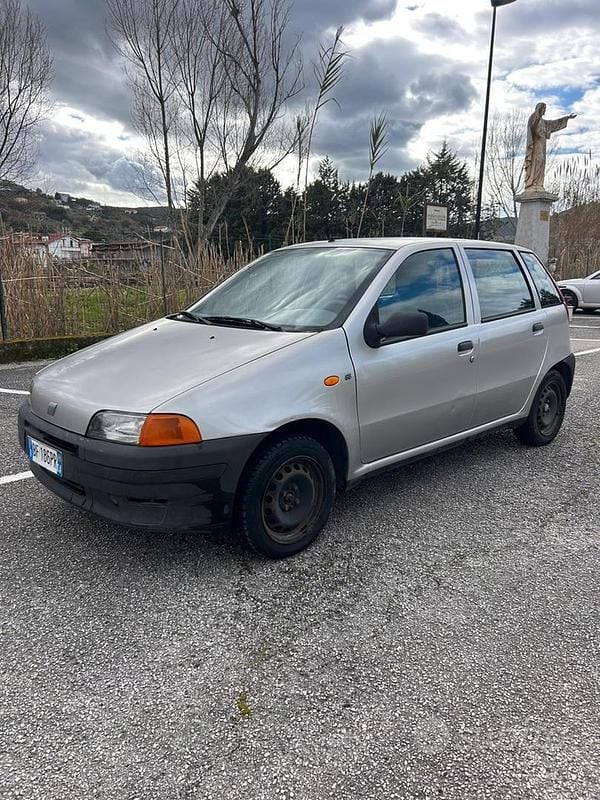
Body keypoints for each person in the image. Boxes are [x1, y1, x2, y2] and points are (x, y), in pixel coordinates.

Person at [524, 102, 576, 191]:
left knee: (542, 162)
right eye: (544, 109)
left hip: (542, 145)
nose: (545, 111)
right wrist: (537, 118)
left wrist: (567, 118)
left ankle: (539, 183)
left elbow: (555, 123)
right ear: (540, 109)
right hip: (536, 146)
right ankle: (533, 182)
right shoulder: (533, 119)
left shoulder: (544, 123)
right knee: (537, 161)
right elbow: (532, 128)